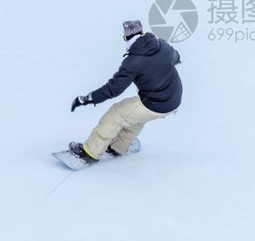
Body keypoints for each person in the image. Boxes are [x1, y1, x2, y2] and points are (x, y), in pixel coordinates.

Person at [69, 20, 182, 163]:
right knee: (135, 115)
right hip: (174, 99)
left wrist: (87, 99)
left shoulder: (133, 61)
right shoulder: (163, 46)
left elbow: (113, 89)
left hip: (156, 103)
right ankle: (118, 146)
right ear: (141, 32)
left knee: (116, 113)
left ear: (126, 37)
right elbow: (176, 57)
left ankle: (90, 152)